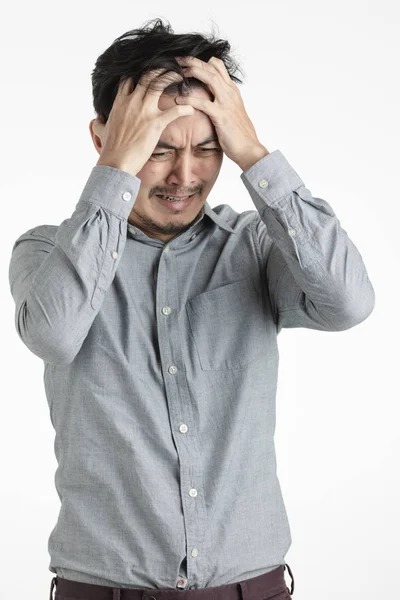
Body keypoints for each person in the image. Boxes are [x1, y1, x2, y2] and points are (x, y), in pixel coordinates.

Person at [8, 17, 375, 600]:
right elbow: (53, 333)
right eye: (158, 150)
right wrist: (116, 173)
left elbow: (349, 301)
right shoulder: (47, 251)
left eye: (208, 148)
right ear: (104, 139)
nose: (186, 175)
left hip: (250, 589)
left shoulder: (254, 245)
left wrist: (254, 153)